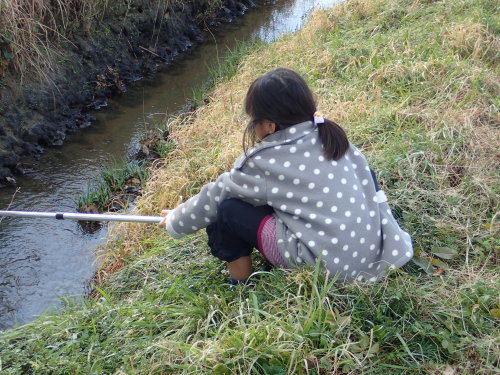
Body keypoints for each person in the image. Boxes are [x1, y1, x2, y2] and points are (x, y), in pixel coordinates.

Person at [159, 68, 413, 284]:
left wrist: (175, 220)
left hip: (326, 270)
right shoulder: (331, 135)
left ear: (269, 125)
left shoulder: (264, 160)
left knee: (227, 209)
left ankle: (240, 283)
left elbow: (215, 197)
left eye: (254, 121)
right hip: (377, 253)